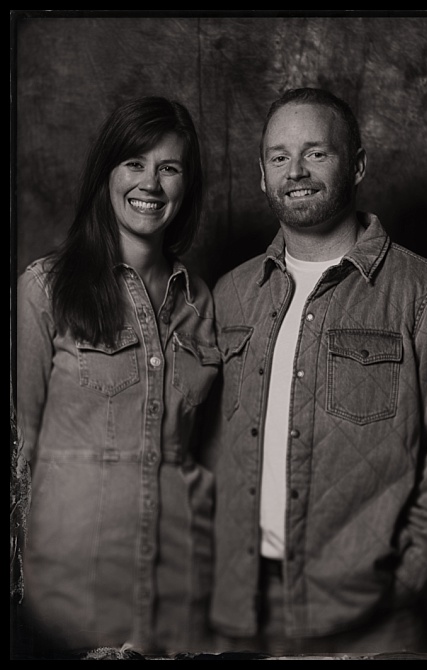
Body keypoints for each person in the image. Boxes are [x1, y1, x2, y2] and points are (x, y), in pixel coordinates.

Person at [207, 88, 427, 655]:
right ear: (262, 174)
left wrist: (409, 579)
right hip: (240, 611)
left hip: (370, 615)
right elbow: (206, 444)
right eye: (279, 157)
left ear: (359, 164)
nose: (295, 171)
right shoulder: (230, 294)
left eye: (316, 153)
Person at [15, 97, 216, 655]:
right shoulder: (44, 289)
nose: (151, 182)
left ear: (186, 184)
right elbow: (19, 456)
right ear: (107, 172)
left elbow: (206, 457)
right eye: (135, 163)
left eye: (169, 167)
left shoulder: (202, 302)